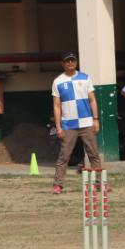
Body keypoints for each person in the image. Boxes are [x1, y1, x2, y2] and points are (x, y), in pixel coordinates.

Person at [51, 51, 101, 195]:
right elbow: (56, 106)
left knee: (94, 154)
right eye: (67, 61)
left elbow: (92, 99)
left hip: (87, 123)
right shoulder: (58, 81)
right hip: (68, 125)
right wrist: (58, 126)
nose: (70, 63)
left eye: (73, 60)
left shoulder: (85, 78)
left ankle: (100, 183)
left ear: (76, 62)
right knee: (64, 156)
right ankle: (57, 185)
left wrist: (95, 119)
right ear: (62, 63)